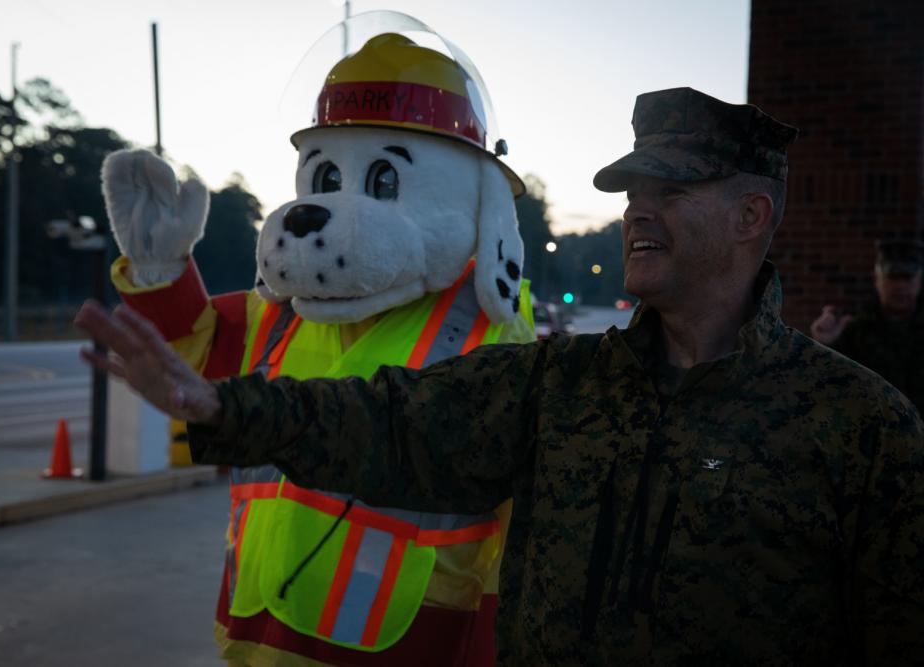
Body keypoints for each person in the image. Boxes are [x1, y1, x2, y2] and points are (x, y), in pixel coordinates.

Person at [76, 87, 924, 665]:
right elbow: (389, 420)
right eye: (630, 192)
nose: (637, 211)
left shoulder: (858, 426)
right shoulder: (559, 384)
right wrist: (222, 405)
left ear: (750, 216)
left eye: (670, 189)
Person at [811, 239, 924, 412]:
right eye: (892, 277)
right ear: (876, 280)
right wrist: (824, 345)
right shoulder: (854, 331)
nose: (901, 286)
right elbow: (827, 386)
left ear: (919, 281)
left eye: (908, 278)